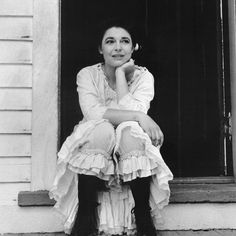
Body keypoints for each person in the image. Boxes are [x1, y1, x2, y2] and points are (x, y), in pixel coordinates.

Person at [50, 18, 173, 236]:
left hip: (128, 143)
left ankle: (142, 215)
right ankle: (86, 214)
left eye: (125, 41)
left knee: (130, 130)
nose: (118, 47)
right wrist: (137, 116)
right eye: (110, 41)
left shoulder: (144, 76)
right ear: (100, 48)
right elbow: (93, 112)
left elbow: (136, 114)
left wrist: (120, 76)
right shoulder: (87, 74)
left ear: (133, 47)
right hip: (97, 139)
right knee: (102, 128)